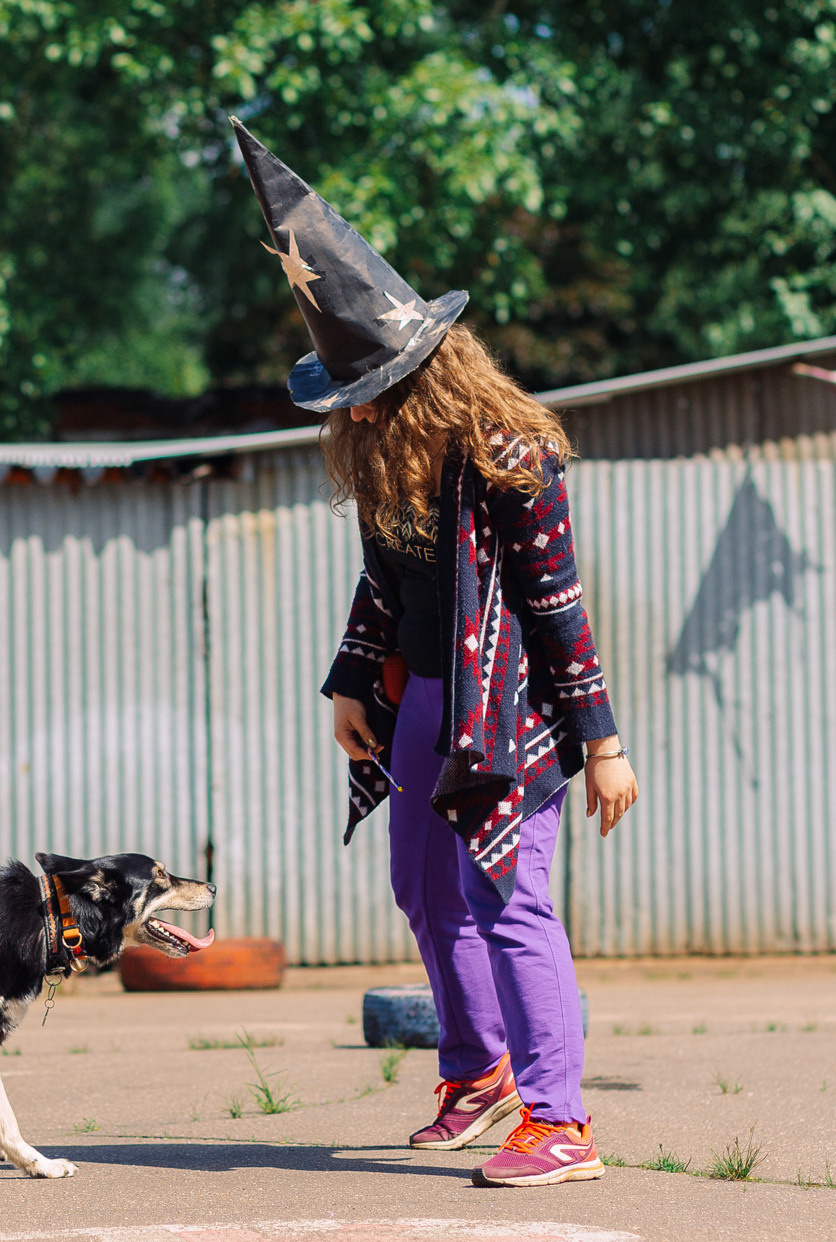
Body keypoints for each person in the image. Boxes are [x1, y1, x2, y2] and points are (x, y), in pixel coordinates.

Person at [233, 119, 638, 1186]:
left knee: (509, 898)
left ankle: (560, 1122)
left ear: (421, 371)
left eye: (365, 387)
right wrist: (348, 682)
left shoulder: (513, 455)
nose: (354, 410)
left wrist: (602, 743)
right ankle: (478, 1071)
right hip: (420, 699)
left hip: (508, 712)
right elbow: (385, 582)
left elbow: (556, 605)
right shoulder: (382, 452)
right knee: (424, 889)